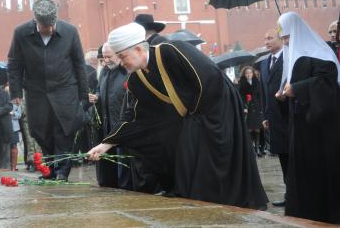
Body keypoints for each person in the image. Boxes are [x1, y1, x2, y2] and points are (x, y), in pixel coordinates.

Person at [88, 23, 268, 209]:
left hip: (218, 108)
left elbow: (209, 78)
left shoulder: (171, 50)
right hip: (192, 118)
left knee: (208, 156)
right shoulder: (136, 80)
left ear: (139, 49)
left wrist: (190, 116)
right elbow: (134, 117)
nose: (121, 62)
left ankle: (224, 200)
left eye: (123, 56)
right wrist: (106, 144)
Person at [8, 0, 88, 181]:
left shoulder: (69, 31)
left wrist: (83, 95)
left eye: (53, 25)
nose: (51, 30)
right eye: (46, 27)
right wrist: (16, 92)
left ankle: (62, 171)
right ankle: (51, 169)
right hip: (37, 93)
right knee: (40, 131)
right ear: (36, 22)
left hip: (65, 90)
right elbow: (14, 63)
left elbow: (79, 64)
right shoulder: (21, 33)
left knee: (64, 131)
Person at [276, 12, 340, 224]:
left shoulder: (320, 53)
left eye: (288, 37)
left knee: (320, 173)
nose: (285, 42)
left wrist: (297, 88)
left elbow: (329, 86)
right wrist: (283, 95)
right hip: (300, 127)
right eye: (282, 38)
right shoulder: (293, 57)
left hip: (320, 129)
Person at [89, 43, 132, 189]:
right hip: (107, 122)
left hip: (122, 121)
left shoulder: (128, 70)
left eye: (109, 56)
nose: (106, 60)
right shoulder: (105, 71)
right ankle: (110, 182)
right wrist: (97, 96)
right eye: (104, 57)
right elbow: (100, 90)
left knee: (123, 157)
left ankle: (125, 185)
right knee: (108, 157)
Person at [259, 30, 289, 207]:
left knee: (292, 156)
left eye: (270, 38)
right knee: (282, 157)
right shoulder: (264, 64)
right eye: (265, 38)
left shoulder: (289, 58)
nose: (266, 41)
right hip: (274, 119)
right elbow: (263, 92)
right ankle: (289, 194)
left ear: (281, 39)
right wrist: (264, 115)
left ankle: (297, 193)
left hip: (288, 116)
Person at [238, 66, 263, 157]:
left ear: (253, 74)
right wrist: (243, 106)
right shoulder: (242, 83)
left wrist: (261, 108)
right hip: (247, 108)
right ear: (244, 74)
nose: (249, 75)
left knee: (257, 128)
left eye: (250, 73)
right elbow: (240, 96)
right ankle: (251, 149)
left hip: (256, 107)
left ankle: (257, 148)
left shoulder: (257, 82)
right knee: (249, 129)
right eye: (247, 73)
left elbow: (260, 95)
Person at [4, 84, 22, 171]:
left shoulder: (16, 101)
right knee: (5, 147)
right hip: (4, 127)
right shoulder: (2, 101)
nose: (8, 93)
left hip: (14, 127)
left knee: (14, 147)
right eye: (6, 91)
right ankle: (6, 166)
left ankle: (13, 166)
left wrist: (13, 113)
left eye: (9, 91)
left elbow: (19, 115)